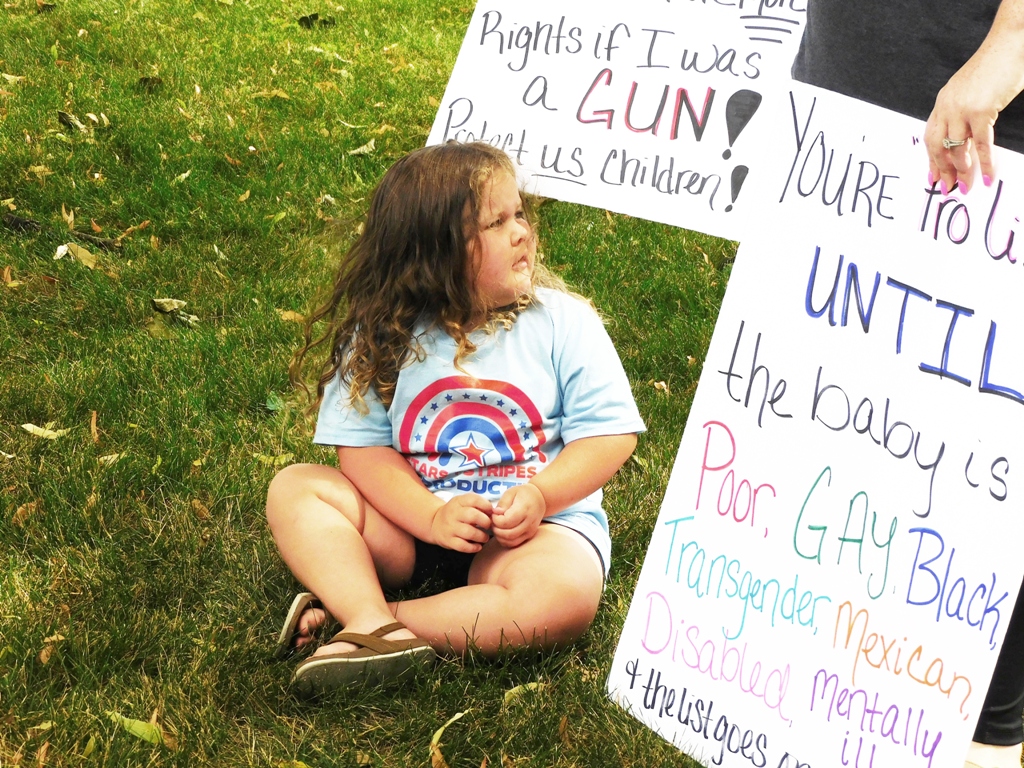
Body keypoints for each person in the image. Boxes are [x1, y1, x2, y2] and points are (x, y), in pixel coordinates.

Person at [265, 140, 645, 696]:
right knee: (296, 489)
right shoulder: (383, 334)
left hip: (527, 532)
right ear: (432, 253)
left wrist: (541, 496)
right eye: (497, 223)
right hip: (410, 527)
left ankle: (372, 621)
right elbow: (364, 453)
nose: (522, 232)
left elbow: (610, 435)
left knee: (561, 600)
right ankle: (369, 618)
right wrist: (430, 518)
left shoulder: (564, 322)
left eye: (520, 214)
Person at [793, 4, 1024, 766]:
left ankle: (987, 735)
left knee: (983, 450)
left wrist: (1013, 44)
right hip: (849, 90)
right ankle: (846, 702)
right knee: (846, 419)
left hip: (985, 107)